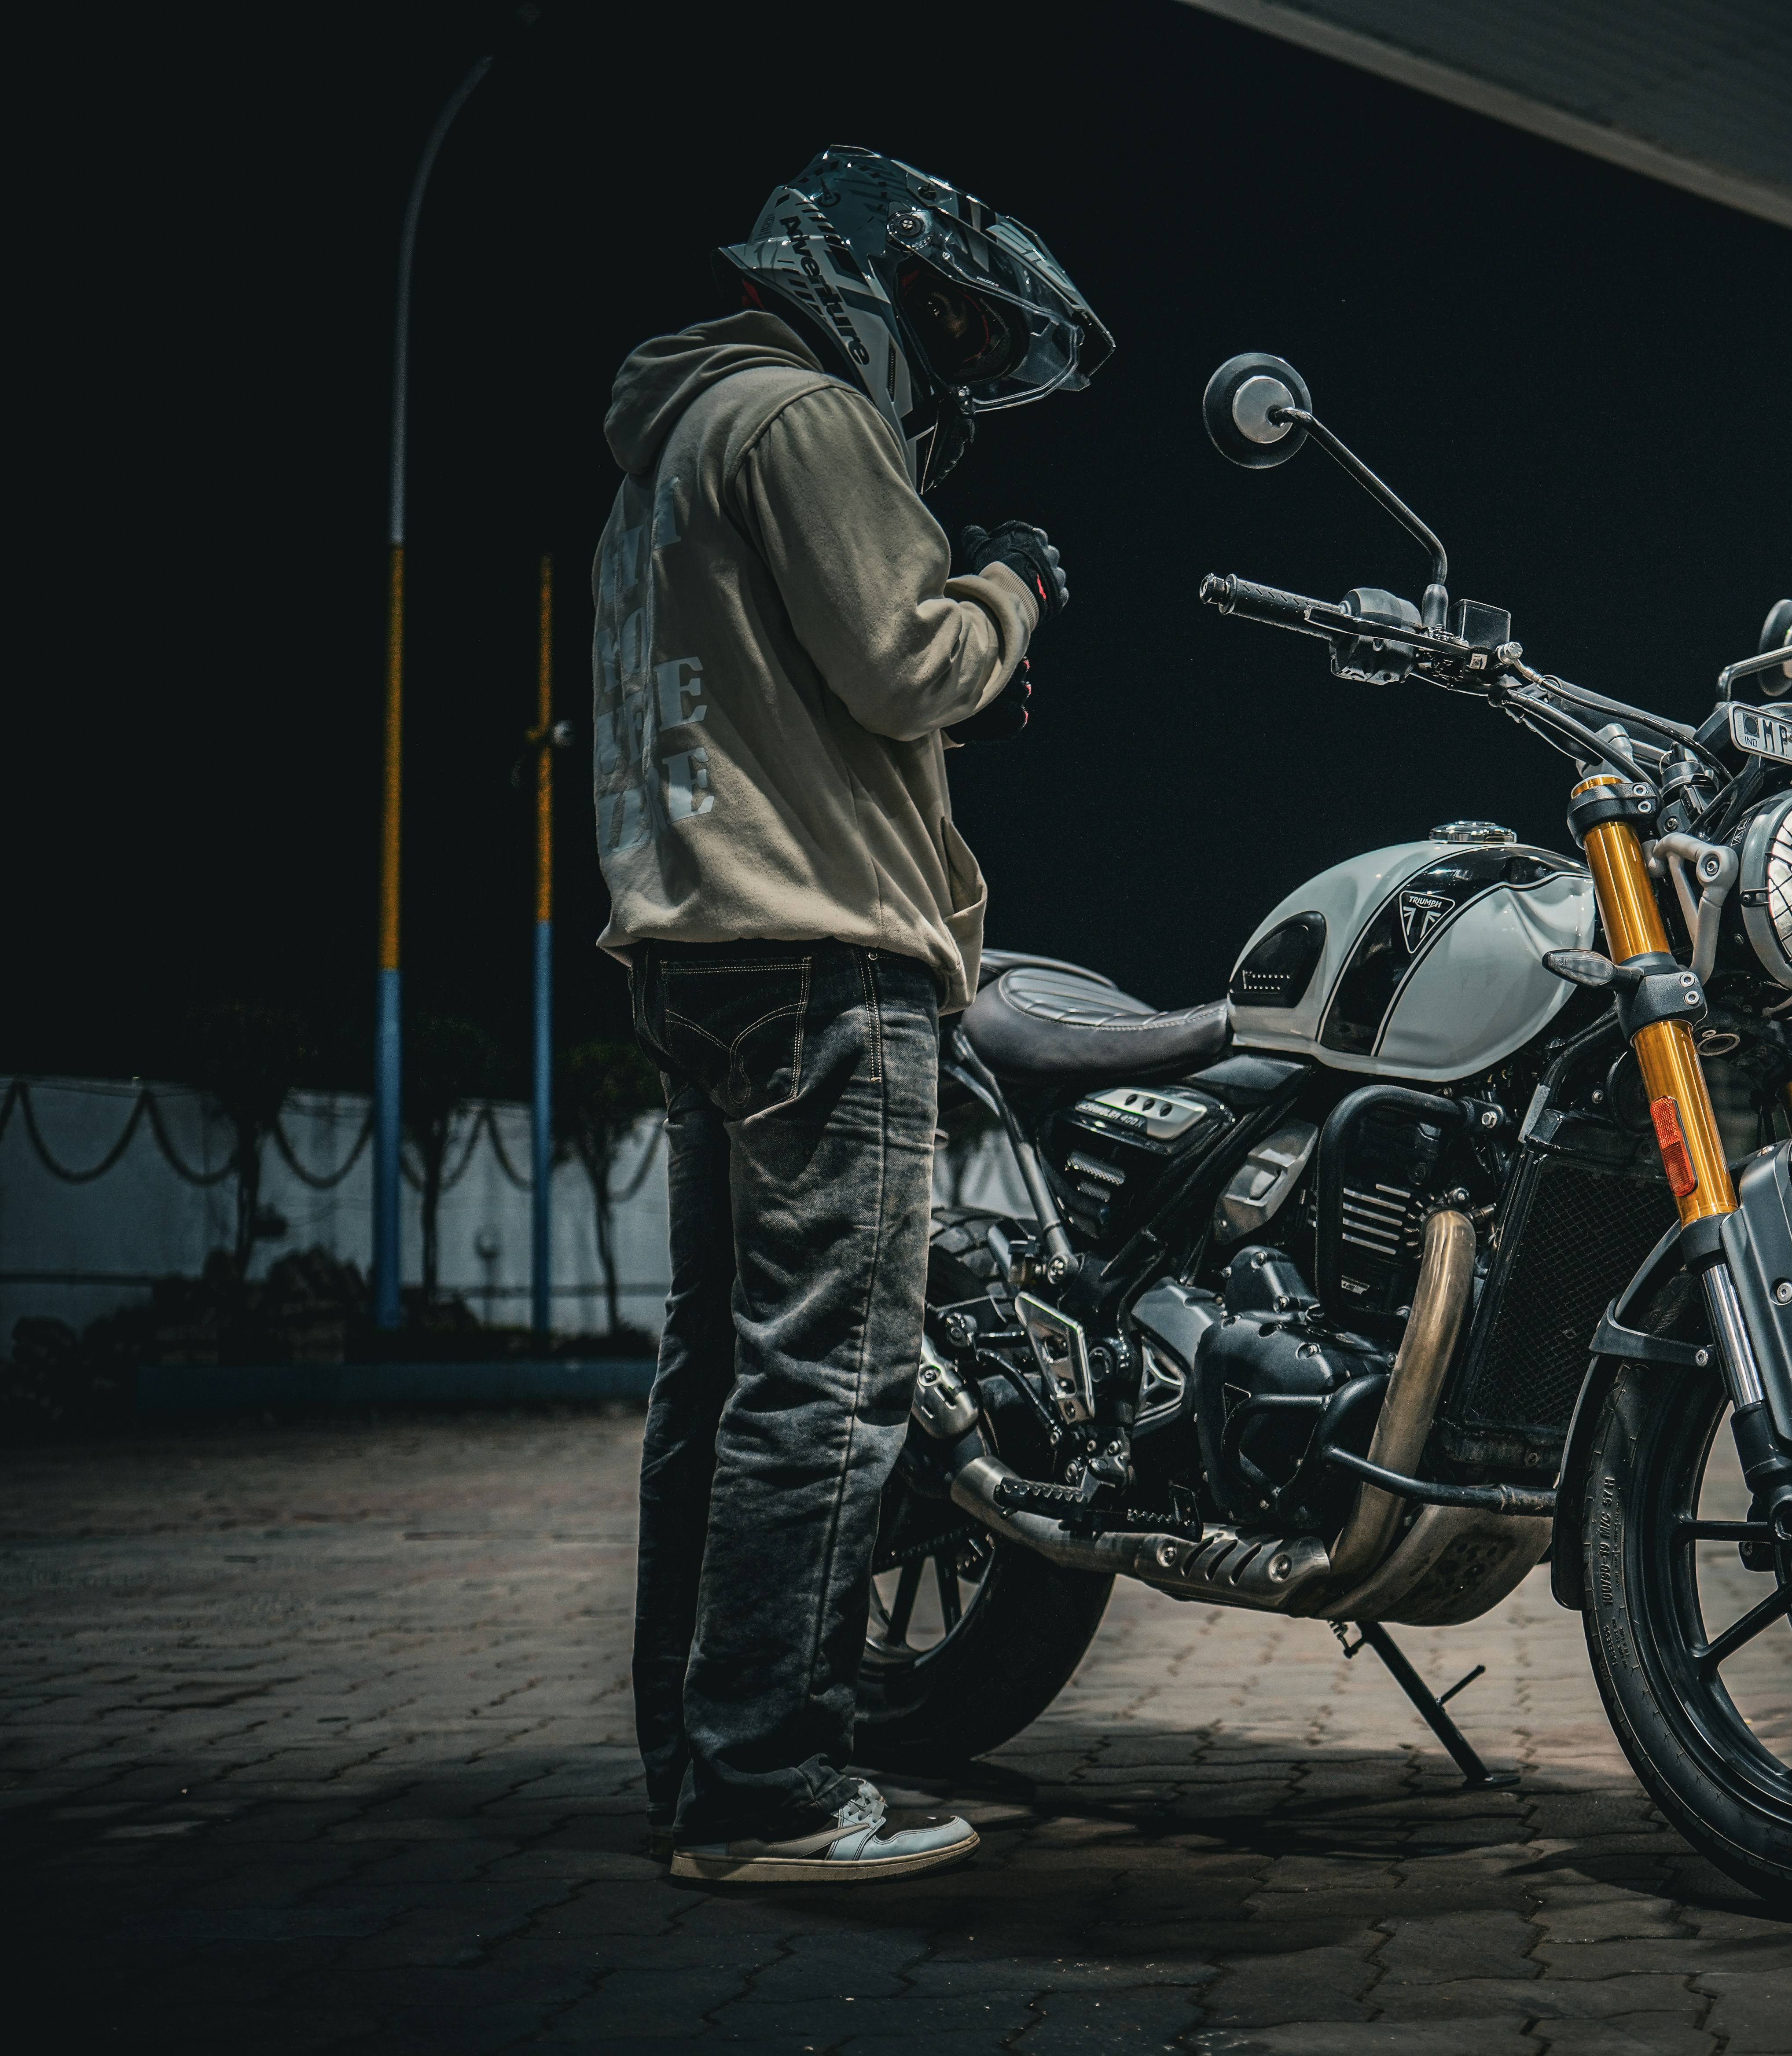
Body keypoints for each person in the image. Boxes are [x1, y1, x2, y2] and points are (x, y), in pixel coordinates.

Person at [589, 148, 1111, 1885]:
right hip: (828, 956)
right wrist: (1012, 582)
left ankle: (700, 1758)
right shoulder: (805, 417)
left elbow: (800, 692)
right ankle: (773, 1796)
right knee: (830, 1386)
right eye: (946, 327)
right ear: (867, 275)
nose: (946, 370)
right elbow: (905, 659)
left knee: (722, 1380)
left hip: (703, 944)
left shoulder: (670, 449)